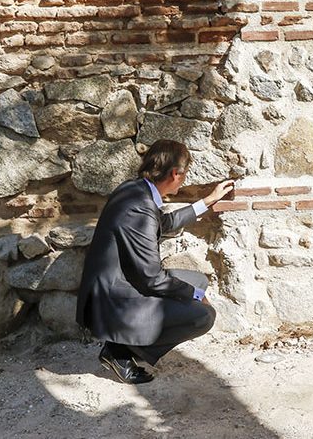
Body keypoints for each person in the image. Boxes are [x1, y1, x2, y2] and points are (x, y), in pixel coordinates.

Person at [76, 139, 234, 384]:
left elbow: (163, 224)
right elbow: (152, 278)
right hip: (114, 299)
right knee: (203, 316)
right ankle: (118, 352)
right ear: (174, 173)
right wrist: (193, 294)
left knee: (199, 280)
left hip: (122, 284)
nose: (184, 180)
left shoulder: (135, 190)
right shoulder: (140, 207)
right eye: (184, 175)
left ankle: (122, 347)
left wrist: (207, 201)